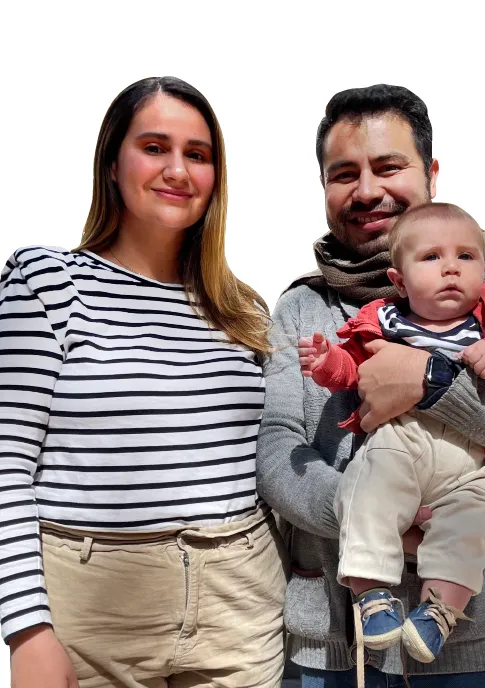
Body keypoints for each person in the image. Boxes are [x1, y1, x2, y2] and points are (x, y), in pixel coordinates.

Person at [257, 84, 485, 687]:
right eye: (345, 174)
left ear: (431, 174)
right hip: (332, 648)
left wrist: (431, 380)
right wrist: (365, 509)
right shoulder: (302, 305)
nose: (367, 190)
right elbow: (276, 447)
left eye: (388, 166)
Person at [0, 76, 288, 688]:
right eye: (154, 147)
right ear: (112, 164)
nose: (177, 170)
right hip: (93, 604)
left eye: (197, 154)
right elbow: (6, 465)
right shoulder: (46, 283)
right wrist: (26, 629)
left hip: (241, 600)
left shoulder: (243, 312)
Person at [298, 202, 485, 665]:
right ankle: (372, 596)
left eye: (466, 256)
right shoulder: (386, 320)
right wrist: (327, 364)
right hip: (403, 440)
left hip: (472, 461)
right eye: (432, 257)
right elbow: (354, 372)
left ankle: (439, 612)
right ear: (399, 281)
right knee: (367, 486)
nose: (451, 268)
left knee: (469, 527)